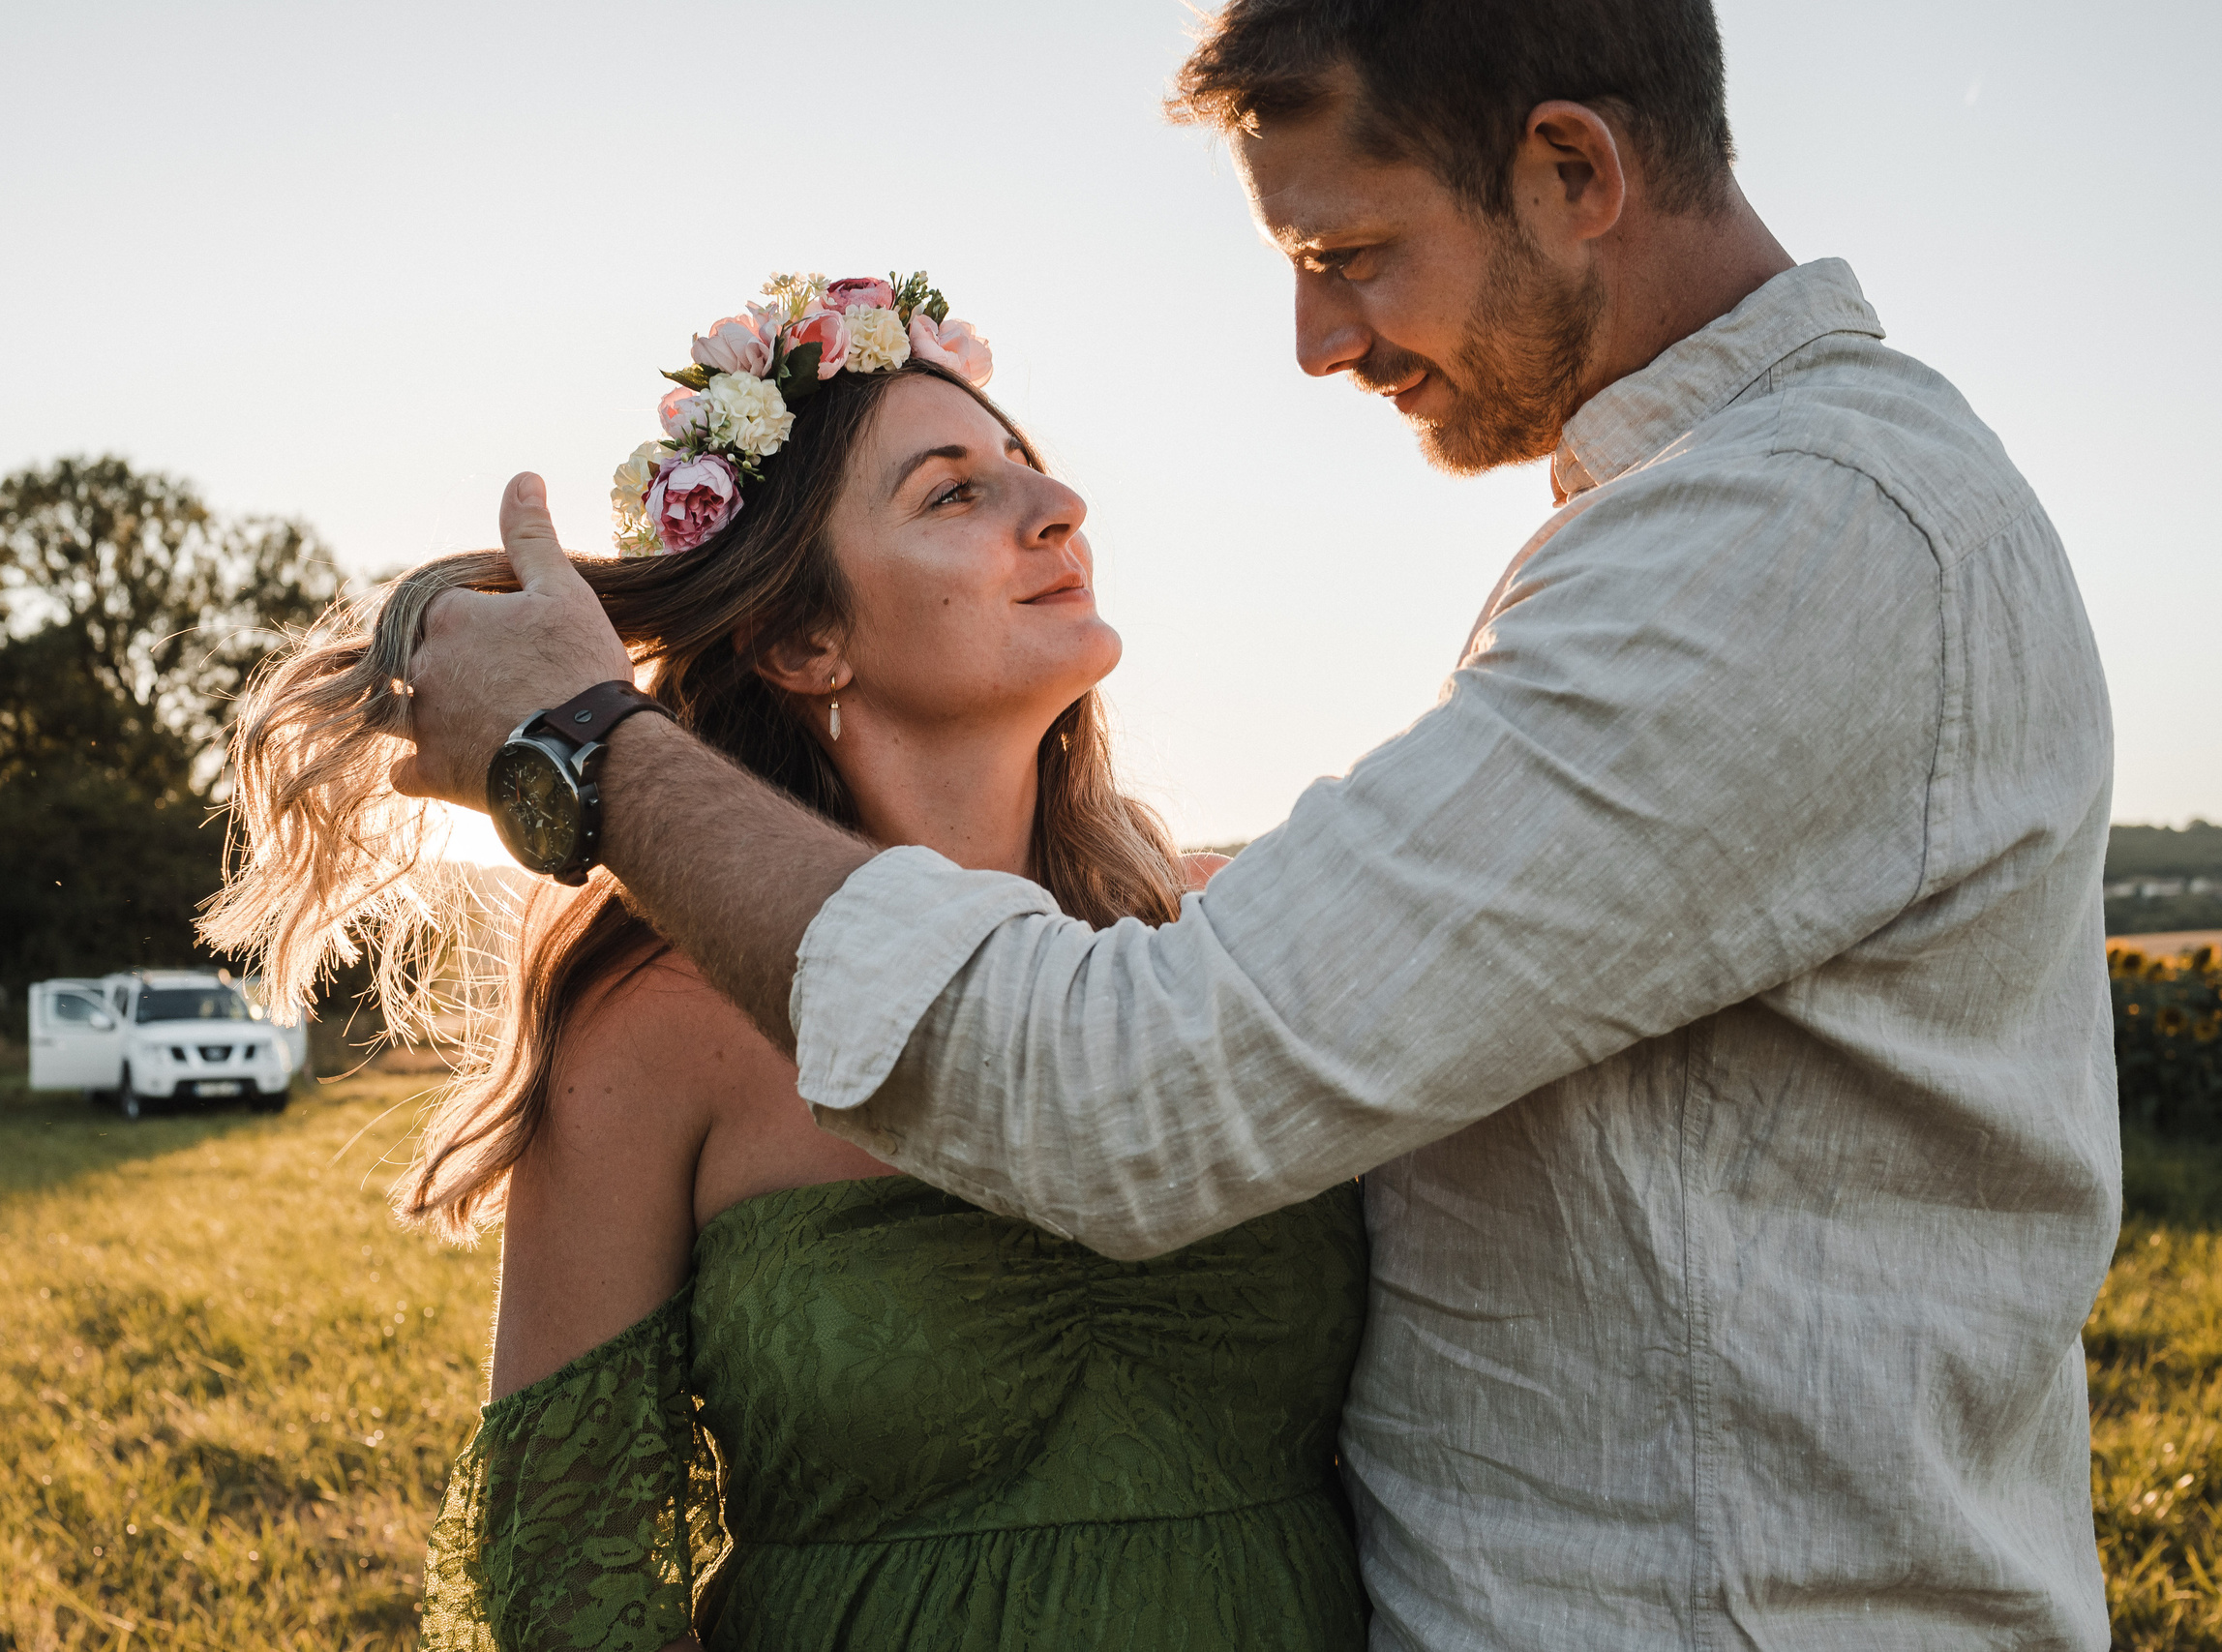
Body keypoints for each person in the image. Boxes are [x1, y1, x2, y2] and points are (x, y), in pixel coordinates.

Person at [383, 1, 2122, 1647]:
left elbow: (1129, 1099)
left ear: (1574, 173)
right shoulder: (1680, 531)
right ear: (802, 630)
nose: (1318, 344)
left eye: (1348, 255)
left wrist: (582, 748)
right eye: (952, 489)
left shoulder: (1790, 544)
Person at [206, 274, 1371, 1650]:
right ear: (802, 638)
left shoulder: (1226, 938)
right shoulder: (659, 1021)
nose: (1058, 511)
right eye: (953, 494)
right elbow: (568, 1584)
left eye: (1030, 475)